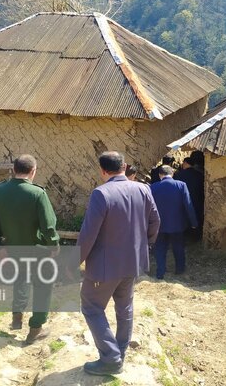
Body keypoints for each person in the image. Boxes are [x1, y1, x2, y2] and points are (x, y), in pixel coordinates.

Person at [78, 151, 160, 376]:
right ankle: (120, 352)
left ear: (103, 171)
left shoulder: (101, 194)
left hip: (105, 267)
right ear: (124, 166)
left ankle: (111, 358)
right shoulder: (143, 189)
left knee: (91, 306)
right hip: (133, 262)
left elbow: (88, 234)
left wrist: (75, 261)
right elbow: (155, 221)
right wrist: (146, 245)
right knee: (125, 307)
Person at [0, 154, 59, 344]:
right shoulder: (37, 194)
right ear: (33, 171)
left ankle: (17, 317)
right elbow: (48, 225)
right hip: (38, 250)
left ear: (13, 169)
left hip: (12, 248)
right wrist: (54, 245)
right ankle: (36, 328)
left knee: (20, 279)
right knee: (43, 287)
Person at [150, 165, 198, 279]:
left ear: (159, 175)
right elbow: (188, 204)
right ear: (172, 174)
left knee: (160, 247)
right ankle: (179, 269)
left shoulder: (153, 187)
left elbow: (149, 207)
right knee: (178, 246)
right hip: (177, 223)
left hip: (159, 224)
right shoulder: (181, 185)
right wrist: (193, 222)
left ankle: (160, 272)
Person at [173, 156, 205, 239]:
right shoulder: (199, 175)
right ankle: (196, 235)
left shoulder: (179, 174)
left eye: (183, 163)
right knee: (196, 216)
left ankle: (184, 235)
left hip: (183, 200)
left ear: (186, 163)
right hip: (197, 199)